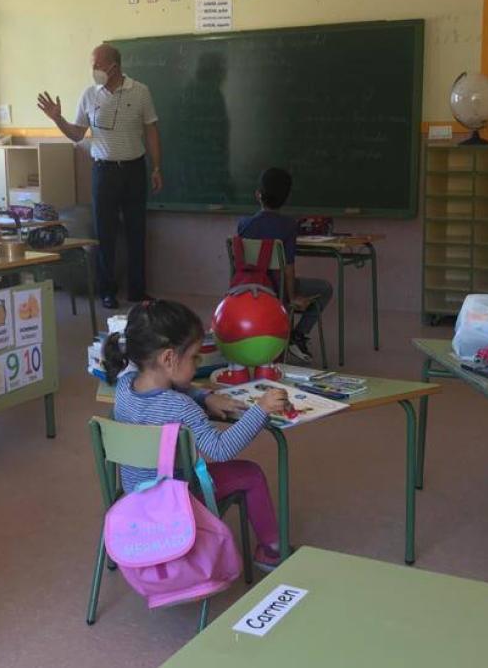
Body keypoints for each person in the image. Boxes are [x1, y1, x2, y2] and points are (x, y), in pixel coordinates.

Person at [104, 299, 288, 570]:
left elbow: (163, 395)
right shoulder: (180, 407)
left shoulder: (123, 386)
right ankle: (272, 551)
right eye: (194, 357)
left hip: (134, 495)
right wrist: (260, 410)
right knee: (251, 473)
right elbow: (220, 449)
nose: (198, 362)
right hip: (177, 499)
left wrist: (204, 395)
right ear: (168, 358)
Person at [37, 43, 163, 310]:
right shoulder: (89, 95)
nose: (93, 70)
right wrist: (57, 119)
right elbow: (77, 135)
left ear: (113, 66)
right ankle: (107, 291)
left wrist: (156, 167)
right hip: (103, 171)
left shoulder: (140, 91)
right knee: (103, 234)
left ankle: (137, 291)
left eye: (97, 65)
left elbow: (151, 130)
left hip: (134, 169)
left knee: (136, 232)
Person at [237, 168, 333, 365]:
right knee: (325, 288)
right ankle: (298, 335)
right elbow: (288, 268)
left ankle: (291, 336)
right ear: (285, 199)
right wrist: (291, 297)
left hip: (246, 289)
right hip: (276, 290)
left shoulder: (243, 224)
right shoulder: (288, 226)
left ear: (258, 195)